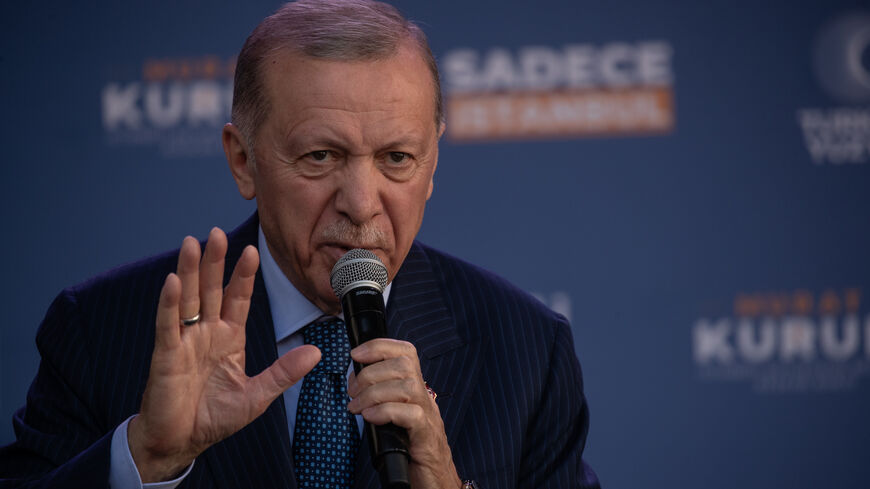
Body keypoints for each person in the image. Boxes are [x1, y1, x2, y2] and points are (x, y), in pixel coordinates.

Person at [0, 1, 600, 488]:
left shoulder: (527, 350)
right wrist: (144, 459)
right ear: (243, 161)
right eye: (321, 156)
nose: (361, 203)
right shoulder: (99, 329)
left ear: (432, 162)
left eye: (396, 158)